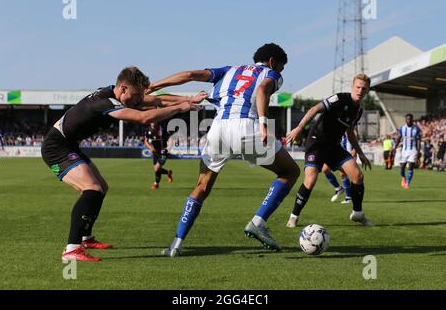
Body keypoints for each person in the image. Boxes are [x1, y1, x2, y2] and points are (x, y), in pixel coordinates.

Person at [146, 43, 300, 257]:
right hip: (247, 127)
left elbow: (190, 74)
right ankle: (258, 222)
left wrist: (155, 85)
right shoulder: (271, 73)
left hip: (217, 129)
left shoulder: (229, 70)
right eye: (281, 67)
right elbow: (263, 89)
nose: (280, 72)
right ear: (273, 62)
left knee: (201, 186)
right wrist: (264, 123)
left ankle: (176, 244)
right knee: (290, 172)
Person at [41, 66, 205, 262]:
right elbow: (144, 117)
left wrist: (189, 100)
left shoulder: (115, 92)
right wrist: (181, 107)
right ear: (124, 89)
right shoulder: (104, 102)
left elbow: (157, 100)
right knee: (91, 188)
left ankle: (86, 238)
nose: (138, 101)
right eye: (136, 96)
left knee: (101, 187)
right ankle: (71, 249)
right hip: (56, 147)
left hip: (69, 145)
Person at [286, 74, 373, 228]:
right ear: (352, 87)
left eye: (364, 89)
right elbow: (314, 109)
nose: (360, 90)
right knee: (311, 179)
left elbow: (349, 131)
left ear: (367, 91)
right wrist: (299, 127)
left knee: (358, 176)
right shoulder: (339, 99)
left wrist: (360, 152)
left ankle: (357, 214)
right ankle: (294, 216)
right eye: (358, 87)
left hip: (333, 146)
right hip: (316, 142)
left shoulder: (358, 111)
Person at [392, 114, 422, 189]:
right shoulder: (402, 128)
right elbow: (399, 138)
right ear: (405, 120)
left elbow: (418, 141)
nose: (408, 121)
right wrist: (394, 147)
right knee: (402, 167)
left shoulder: (416, 129)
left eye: (410, 119)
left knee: (411, 166)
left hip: (413, 150)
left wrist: (418, 151)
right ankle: (403, 177)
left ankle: (407, 183)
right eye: (407, 119)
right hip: (404, 150)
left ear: (412, 120)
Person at [144, 121, 173, 189]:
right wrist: (150, 147)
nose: (153, 122)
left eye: (154, 120)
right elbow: (145, 141)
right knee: (156, 169)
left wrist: (168, 148)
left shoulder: (162, 129)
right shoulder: (148, 130)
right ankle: (168, 172)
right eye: (151, 120)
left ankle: (156, 183)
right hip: (155, 152)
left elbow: (171, 138)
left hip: (163, 152)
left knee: (157, 168)